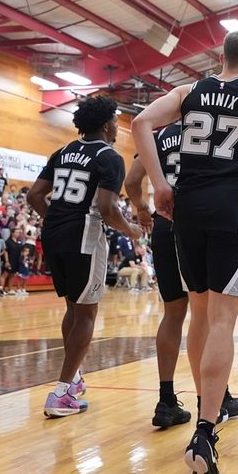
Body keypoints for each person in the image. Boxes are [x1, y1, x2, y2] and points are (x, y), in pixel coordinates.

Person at [131, 30, 238, 474]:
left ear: (220, 57)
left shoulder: (187, 91)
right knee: (222, 320)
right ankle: (204, 431)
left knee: (198, 313)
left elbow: (140, 123)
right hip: (231, 210)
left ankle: (208, 411)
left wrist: (160, 185)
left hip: (186, 209)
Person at [126, 120, 238, 432]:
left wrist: (142, 209)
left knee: (173, 314)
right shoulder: (209, 126)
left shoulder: (157, 135)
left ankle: (167, 399)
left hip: (164, 226)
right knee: (208, 313)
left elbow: (131, 181)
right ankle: (210, 401)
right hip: (195, 221)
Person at [28, 95, 140, 418]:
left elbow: (34, 195)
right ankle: (61, 392)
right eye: (116, 120)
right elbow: (107, 209)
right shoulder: (110, 157)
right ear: (106, 125)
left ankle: (73, 378)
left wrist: (55, 220)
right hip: (84, 238)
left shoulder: (61, 152)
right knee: (87, 315)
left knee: (73, 310)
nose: (117, 127)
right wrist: (131, 230)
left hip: (53, 235)